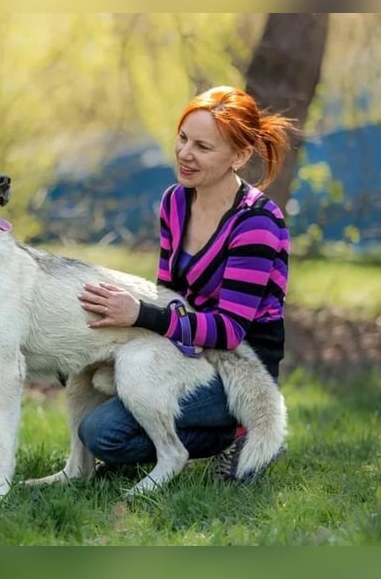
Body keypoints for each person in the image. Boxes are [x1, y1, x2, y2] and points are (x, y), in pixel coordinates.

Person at [76, 85, 296, 481]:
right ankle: (191, 434)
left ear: (240, 156)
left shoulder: (256, 223)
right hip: (189, 349)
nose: (184, 154)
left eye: (203, 147)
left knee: (104, 433)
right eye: (182, 139)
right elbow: (167, 289)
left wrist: (141, 315)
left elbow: (229, 331)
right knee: (98, 404)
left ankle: (240, 432)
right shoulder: (175, 202)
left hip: (242, 365)